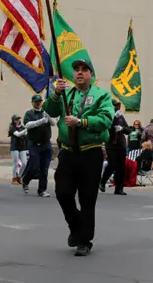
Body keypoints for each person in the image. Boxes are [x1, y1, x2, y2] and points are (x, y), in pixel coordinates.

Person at [46, 59, 114, 257]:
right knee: (62, 192)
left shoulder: (101, 95)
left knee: (87, 197)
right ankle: (75, 227)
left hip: (90, 151)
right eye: (76, 70)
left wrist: (81, 122)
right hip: (67, 151)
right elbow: (50, 111)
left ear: (91, 75)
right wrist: (56, 94)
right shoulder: (66, 94)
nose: (80, 73)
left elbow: (106, 119)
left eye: (84, 70)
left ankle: (84, 240)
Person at [22, 94, 55, 197]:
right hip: (34, 144)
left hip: (46, 144)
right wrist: (40, 121)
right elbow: (27, 125)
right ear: (32, 103)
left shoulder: (46, 112)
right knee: (34, 166)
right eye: (36, 102)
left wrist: (48, 117)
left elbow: (54, 123)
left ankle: (42, 190)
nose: (38, 104)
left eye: (39, 102)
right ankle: (26, 180)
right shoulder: (29, 113)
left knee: (44, 168)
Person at [100, 100, 131, 196]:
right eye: (115, 106)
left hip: (120, 143)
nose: (117, 107)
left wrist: (122, 128)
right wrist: (113, 119)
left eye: (118, 105)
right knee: (112, 164)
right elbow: (105, 127)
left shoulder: (121, 116)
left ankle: (119, 188)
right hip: (111, 143)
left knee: (121, 167)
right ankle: (103, 181)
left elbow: (128, 130)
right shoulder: (107, 115)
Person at [8, 115, 28, 185]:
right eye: (16, 120)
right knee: (15, 163)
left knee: (24, 163)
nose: (17, 121)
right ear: (13, 121)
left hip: (22, 147)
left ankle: (19, 176)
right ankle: (14, 178)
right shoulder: (12, 127)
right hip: (14, 147)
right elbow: (18, 134)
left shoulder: (22, 127)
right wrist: (27, 129)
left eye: (18, 119)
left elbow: (26, 137)